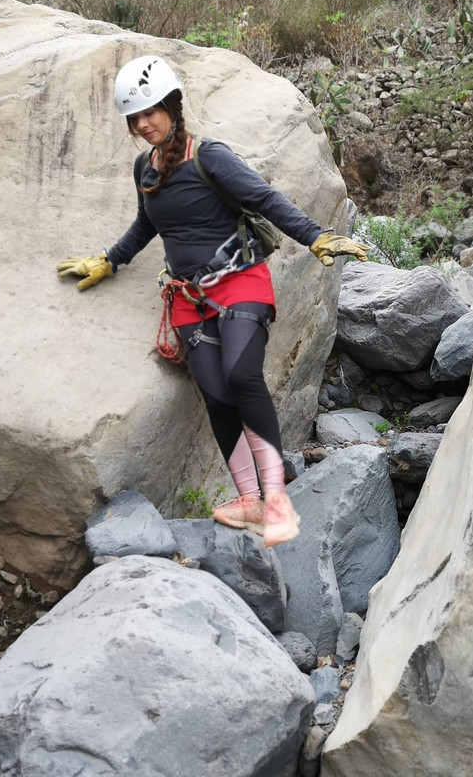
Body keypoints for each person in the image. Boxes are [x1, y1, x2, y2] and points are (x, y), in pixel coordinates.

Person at [57, 55, 367, 547]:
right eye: (134, 118)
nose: (143, 124)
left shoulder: (210, 156)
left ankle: (277, 501)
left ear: (173, 107)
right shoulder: (146, 167)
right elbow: (147, 225)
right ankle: (249, 500)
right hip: (188, 300)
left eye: (151, 112)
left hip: (240, 282)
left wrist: (315, 237)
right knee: (218, 396)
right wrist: (110, 260)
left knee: (243, 378)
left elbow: (264, 198)